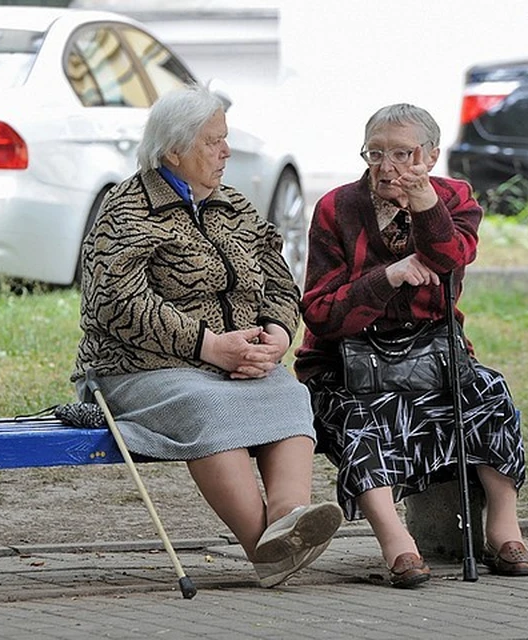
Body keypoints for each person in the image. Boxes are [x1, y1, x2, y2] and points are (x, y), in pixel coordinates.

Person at [72, 84, 342, 588]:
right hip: (139, 370)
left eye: (225, 139)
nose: (226, 151)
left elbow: (278, 280)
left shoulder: (232, 206)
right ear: (174, 150)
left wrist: (278, 338)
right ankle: (265, 548)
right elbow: (117, 303)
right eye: (213, 141)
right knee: (209, 408)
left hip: (235, 361)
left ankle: (289, 519)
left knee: (287, 394)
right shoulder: (127, 209)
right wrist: (210, 346)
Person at [294, 103, 528, 588]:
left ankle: (503, 527)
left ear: (431, 155)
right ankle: (394, 540)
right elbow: (319, 310)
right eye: (376, 153)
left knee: (489, 392)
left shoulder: (456, 199)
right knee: (362, 416)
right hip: (349, 360)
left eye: (404, 154)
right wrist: (385, 278)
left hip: (434, 353)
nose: (387, 167)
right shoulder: (336, 207)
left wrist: (426, 203)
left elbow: (451, 256)